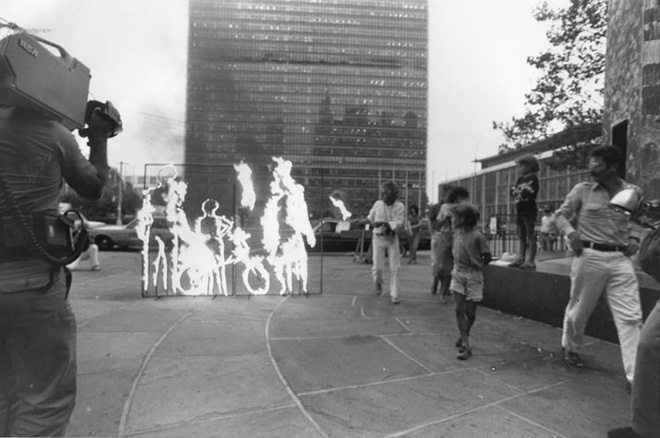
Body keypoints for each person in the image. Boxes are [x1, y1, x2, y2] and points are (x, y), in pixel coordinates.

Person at [0, 100, 119, 436]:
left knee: (4, 397)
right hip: (30, 285)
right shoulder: (52, 134)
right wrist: (99, 135)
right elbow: (94, 187)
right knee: (45, 402)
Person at [554, 145, 643, 390]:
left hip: (620, 259)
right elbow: (560, 216)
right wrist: (572, 235)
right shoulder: (582, 190)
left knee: (631, 317)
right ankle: (570, 348)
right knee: (579, 311)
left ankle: (636, 378)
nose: (591, 168)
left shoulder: (632, 192)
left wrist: (634, 237)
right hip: (589, 257)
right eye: (591, 163)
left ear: (613, 167)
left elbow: (637, 218)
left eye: (598, 164)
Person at [449, 203, 492, 360]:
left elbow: (487, 257)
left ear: (464, 219)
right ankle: (466, 344)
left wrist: (478, 264)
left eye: (456, 217)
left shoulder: (477, 236)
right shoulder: (456, 235)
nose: (453, 219)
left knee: (470, 313)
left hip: (473, 275)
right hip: (458, 273)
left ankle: (464, 334)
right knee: (458, 309)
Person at [365, 181, 405, 304]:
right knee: (377, 267)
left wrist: (383, 223)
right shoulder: (377, 204)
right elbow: (370, 218)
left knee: (395, 267)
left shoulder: (400, 206)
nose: (384, 198)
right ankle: (378, 284)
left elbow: (399, 224)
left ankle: (395, 294)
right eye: (383, 195)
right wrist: (364, 222)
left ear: (394, 195)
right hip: (378, 238)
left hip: (392, 239)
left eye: (387, 195)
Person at [431, 186, 469, 304]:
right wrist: (445, 218)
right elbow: (437, 224)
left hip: (458, 237)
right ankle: (438, 282)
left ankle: (444, 291)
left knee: (452, 266)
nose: (462, 200)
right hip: (445, 236)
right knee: (440, 265)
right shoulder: (445, 207)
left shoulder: (464, 209)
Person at [508, 155, 540, 270]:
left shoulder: (533, 179)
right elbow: (512, 191)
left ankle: (530, 260)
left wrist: (518, 192)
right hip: (520, 208)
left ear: (529, 166)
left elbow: (528, 193)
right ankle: (520, 257)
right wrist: (518, 192)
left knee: (530, 234)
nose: (519, 168)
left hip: (529, 208)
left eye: (521, 166)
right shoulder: (520, 180)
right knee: (521, 234)